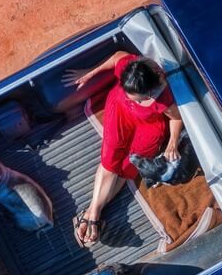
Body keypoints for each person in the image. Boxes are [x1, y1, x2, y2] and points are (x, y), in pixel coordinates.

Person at [62, 51, 183, 247]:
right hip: (120, 109)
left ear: (150, 91)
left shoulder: (163, 97)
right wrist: (90, 72)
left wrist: (172, 143)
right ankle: (93, 213)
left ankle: (91, 214)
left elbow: (176, 118)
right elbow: (116, 57)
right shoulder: (133, 67)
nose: (135, 100)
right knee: (110, 162)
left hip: (149, 125)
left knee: (127, 168)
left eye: (138, 99)